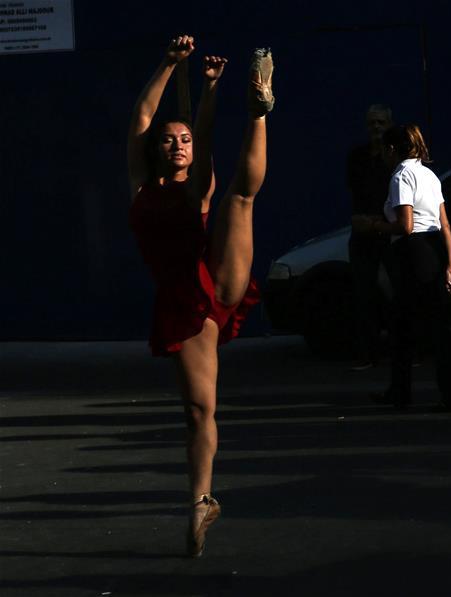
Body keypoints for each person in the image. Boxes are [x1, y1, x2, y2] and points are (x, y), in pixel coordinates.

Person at [127, 36, 274, 556]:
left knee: (237, 195)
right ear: (155, 149)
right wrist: (170, 64)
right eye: (170, 140)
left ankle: (260, 112)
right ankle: (201, 501)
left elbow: (207, 136)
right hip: (183, 303)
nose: (178, 145)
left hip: (218, 272)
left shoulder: (196, 187)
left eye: (184, 140)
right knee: (198, 411)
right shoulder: (143, 186)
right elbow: (143, 115)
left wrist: (212, 94)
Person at [360, 124, 451, 411]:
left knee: (410, 324)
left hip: (412, 253)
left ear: (392, 149)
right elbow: (444, 223)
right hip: (433, 248)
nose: (383, 155)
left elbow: (405, 226)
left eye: (385, 150)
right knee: (423, 325)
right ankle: (436, 392)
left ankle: (415, 393)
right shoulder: (430, 175)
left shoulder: (401, 176)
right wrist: (449, 265)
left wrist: (374, 226)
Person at [346, 105, 394, 370]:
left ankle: (407, 350)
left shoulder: (395, 158)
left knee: (395, 292)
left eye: (381, 123)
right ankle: (368, 353)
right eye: (372, 123)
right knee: (364, 294)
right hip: (363, 232)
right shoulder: (358, 157)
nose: (376, 128)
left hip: (389, 231)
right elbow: (355, 190)